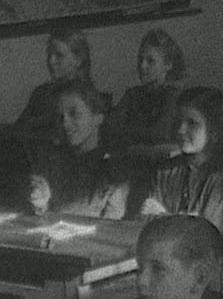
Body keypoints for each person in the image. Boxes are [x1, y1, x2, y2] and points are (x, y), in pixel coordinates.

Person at [140, 86, 223, 239]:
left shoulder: (222, 177)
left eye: (192, 123)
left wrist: (165, 217)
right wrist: (187, 219)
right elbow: (148, 222)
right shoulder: (166, 170)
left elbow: (207, 233)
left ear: (214, 131)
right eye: (178, 121)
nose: (180, 130)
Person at [26, 79, 128, 219]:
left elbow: (113, 223)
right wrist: (40, 202)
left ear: (98, 118)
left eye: (74, 114)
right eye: (60, 117)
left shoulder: (113, 168)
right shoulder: (51, 161)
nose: (65, 123)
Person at [14, 27, 106, 141]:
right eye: (49, 55)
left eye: (59, 55)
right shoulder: (41, 93)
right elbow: (18, 130)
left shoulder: (87, 98)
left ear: (78, 59)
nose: (51, 61)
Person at [110, 29, 186, 154]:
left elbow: (159, 134)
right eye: (141, 59)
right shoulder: (132, 95)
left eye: (150, 60)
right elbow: (113, 130)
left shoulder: (173, 96)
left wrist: (131, 142)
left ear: (168, 64)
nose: (142, 66)